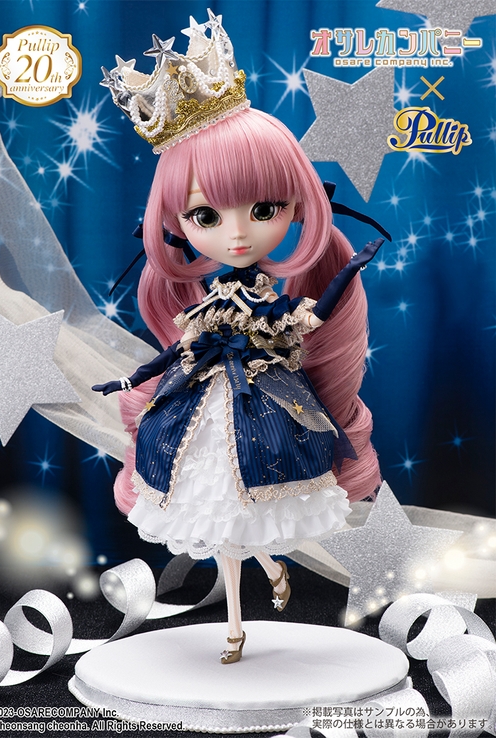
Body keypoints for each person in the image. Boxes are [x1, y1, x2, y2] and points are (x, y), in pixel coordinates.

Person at [94, 15, 383, 663]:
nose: (237, 234)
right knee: (216, 504)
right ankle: (240, 616)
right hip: (201, 403)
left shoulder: (267, 300)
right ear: (177, 223)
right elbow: (179, 351)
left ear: (295, 203)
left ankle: (266, 575)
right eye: (205, 215)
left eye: (264, 209)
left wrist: (346, 275)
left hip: (264, 402)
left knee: (248, 500)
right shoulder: (208, 304)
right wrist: (132, 380)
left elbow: (309, 320)